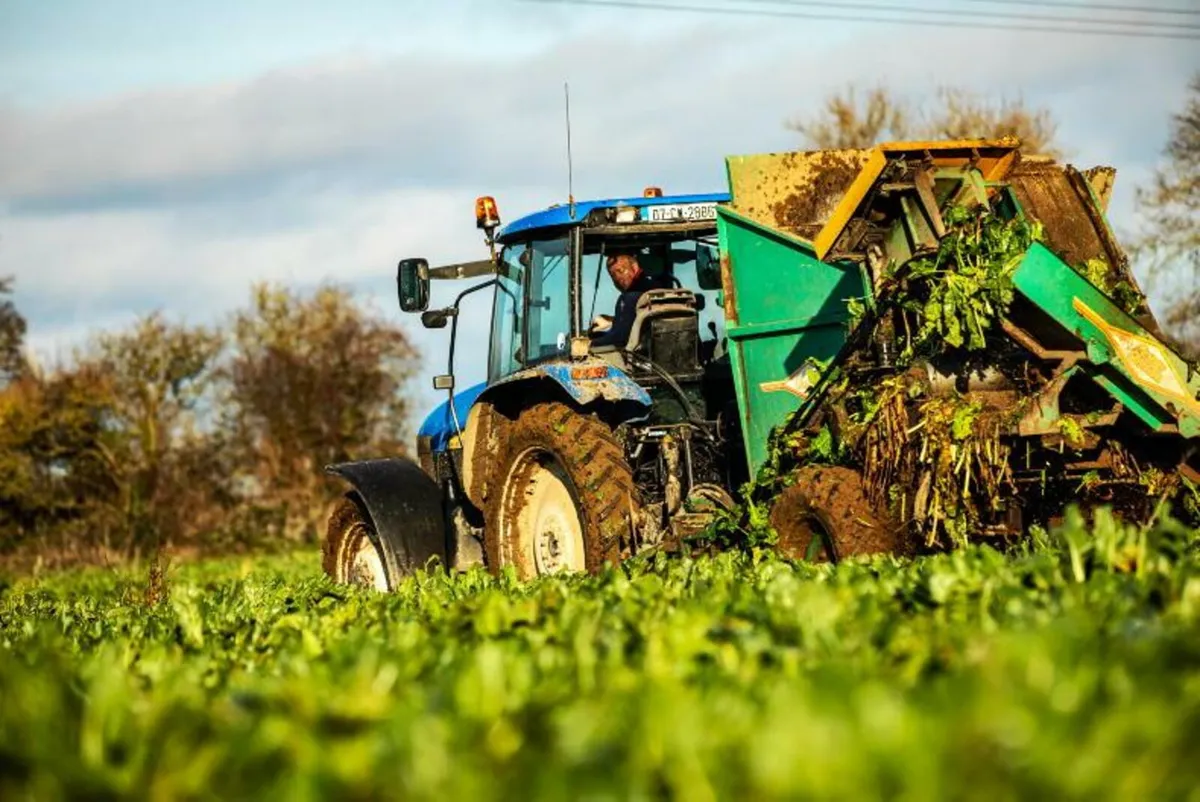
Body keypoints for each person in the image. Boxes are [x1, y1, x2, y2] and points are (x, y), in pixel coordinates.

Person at [589, 248, 673, 348]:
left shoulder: (629, 299)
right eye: (613, 275)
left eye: (620, 271)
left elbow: (618, 340)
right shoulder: (660, 291)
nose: (618, 279)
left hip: (644, 359)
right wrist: (613, 321)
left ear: (634, 267)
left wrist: (588, 344)